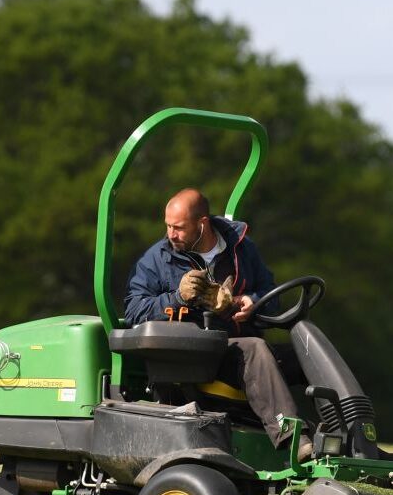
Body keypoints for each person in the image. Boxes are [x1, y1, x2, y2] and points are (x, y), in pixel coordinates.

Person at [124, 188, 313, 460]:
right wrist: (177, 298)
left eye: (178, 227)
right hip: (195, 355)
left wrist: (252, 301)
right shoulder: (157, 259)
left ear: (202, 224)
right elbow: (133, 311)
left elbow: (270, 294)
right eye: (167, 226)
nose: (170, 234)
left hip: (237, 351)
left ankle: (349, 437)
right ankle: (292, 439)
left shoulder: (243, 249)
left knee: (308, 350)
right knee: (255, 349)